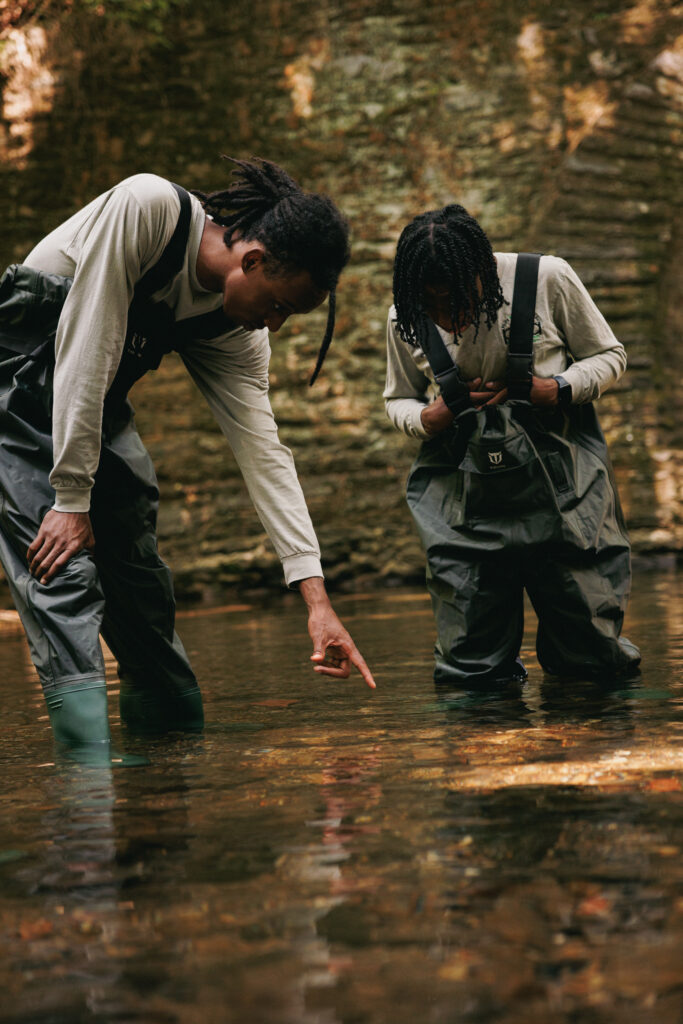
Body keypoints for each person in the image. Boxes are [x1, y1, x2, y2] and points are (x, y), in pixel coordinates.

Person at [0, 156, 375, 754]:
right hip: (14, 389)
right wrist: (72, 497)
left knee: (140, 578)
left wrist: (318, 600)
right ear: (252, 261)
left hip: (90, 404)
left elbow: (264, 454)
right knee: (62, 572)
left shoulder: (237, 333)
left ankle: (172, 772)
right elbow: (89, 337)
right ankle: (85, 798)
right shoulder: (149, 209)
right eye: (279, 305)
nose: (274, 325)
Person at [384, 203, 640, 688]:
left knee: (591, 654)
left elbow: (610, 355)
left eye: (456, 302)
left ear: (483, 272)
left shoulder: (547, 278)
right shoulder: (404, 315)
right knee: (469, 669)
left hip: (566, 491)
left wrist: (559, 388)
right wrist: (427, 417)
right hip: (461, 500)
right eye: (433, 307)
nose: (447, 319)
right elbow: (398, 398)